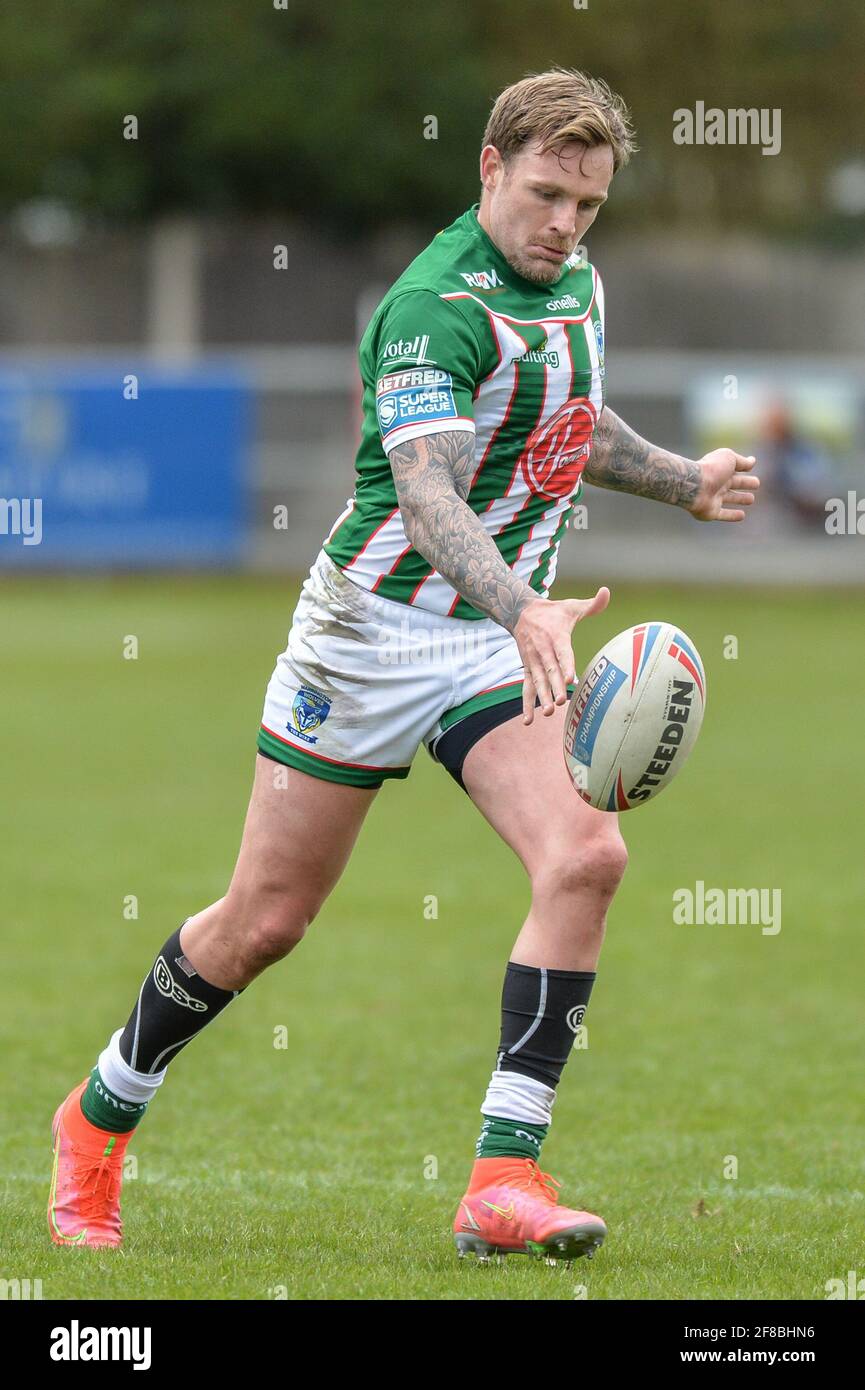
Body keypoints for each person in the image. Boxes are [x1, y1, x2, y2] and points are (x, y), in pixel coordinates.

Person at [48, 66, 759, 1263]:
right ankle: (97, 1120)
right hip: (368, 635)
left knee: (587, 854)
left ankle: (501, 1176)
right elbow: (427, 492)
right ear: (488, 167)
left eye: (587, 205)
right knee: (265, 921)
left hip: (491, 641)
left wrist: (683, 481)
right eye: (544, 195)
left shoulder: (573, 280)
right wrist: (526, 602)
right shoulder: (432, 307)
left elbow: (570, 423)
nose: (564, 224)